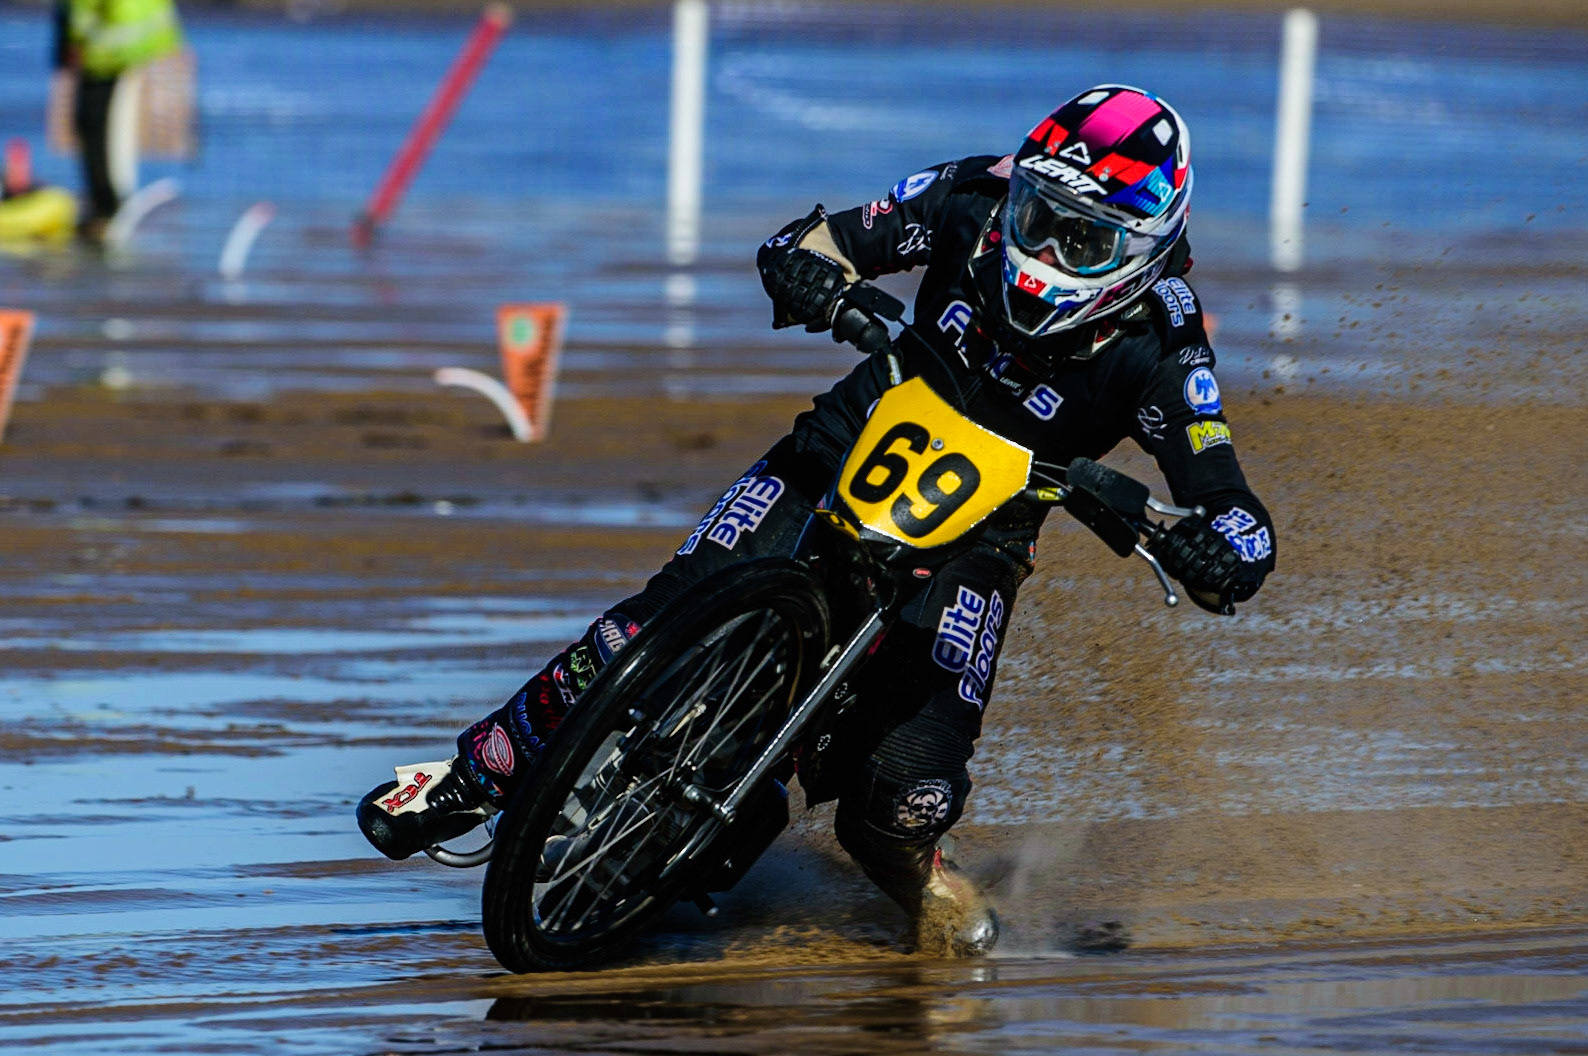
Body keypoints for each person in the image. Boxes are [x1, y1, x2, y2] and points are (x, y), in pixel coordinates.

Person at [357, 84, 1277, 957]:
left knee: (903, 792)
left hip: (989, 533)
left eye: (1084, 242)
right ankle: (474, 776)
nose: (1045, 253)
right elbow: (822, 239)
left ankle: (913, 869)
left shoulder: (1167, 343)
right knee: (639, 626)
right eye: (1040, 220)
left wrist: (1211, 548)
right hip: (850, 432)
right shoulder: (971, 195)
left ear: (1144, 251)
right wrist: (810, 275)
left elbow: (1238, 514)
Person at [51, 0, 183, 240]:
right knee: (112, 127)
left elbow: (83, 10)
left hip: (107, 51)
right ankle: (110, 206)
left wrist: (73, 39)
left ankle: (107, 209)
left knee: (98, 129)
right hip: (135, 42)